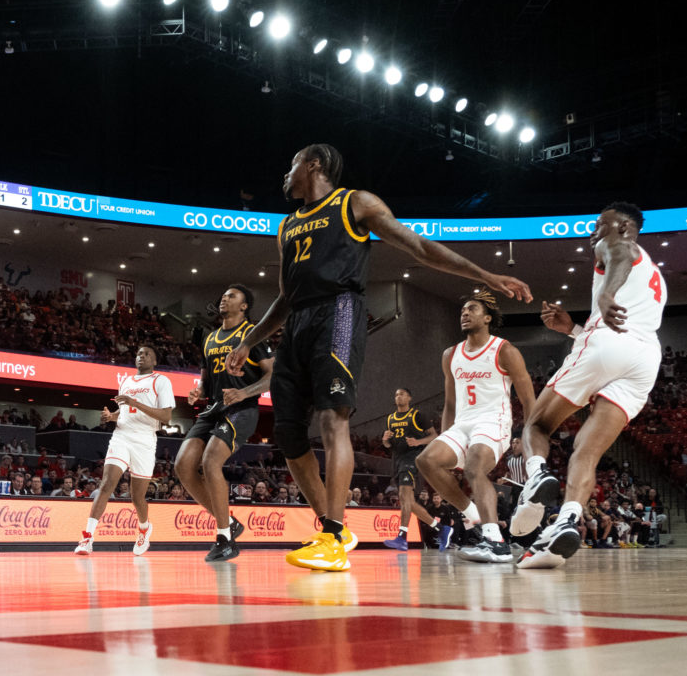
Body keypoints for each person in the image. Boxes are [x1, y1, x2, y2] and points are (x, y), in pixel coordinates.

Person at [225, 144, 530, 571]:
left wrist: (483, 275)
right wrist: (249, 340)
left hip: (339, 311)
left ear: (313, 165)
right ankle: (332, 528)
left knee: (333, 417)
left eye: (291, 164)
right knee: (289, 436)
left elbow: (419, 246)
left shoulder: (355, 203)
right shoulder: (287, 225)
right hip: (296, 325)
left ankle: (333, 534)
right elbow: (285, 296)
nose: (285, 174)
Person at [512, 203, 667, 569]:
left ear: (625, 226)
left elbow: (618, 253)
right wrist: (572, 329)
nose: (593, 229)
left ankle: (536, 477)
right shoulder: (654, 273)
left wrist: (605, 295)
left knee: (537, 424)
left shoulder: (618, 243)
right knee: (586, 451)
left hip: (609, 341)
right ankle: (566, 521)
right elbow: (626, 333)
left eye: (600, 223)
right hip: (645, 359)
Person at [417, 290, 535, 563]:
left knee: (474, 467)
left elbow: (529, 399)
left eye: (472, 309)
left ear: (488, 318)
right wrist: (446, 437)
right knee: (426, 460)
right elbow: (450, 402)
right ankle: (473, 515)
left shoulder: (504, 350)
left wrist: (531, 439)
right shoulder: (450, 354)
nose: (465, 313)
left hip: (494, 421)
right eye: (462, 310)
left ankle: (496, 542)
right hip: (463, 423)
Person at [177, 284, 274, 562]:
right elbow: (206, 381)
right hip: (214, 408)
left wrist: (244, 392)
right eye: (223, 295)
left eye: (232, 296)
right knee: (182, 466)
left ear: (244, 306)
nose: (224, 298)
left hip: (242, 409)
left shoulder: (252, 334)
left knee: (210, 461)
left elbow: (273, 376)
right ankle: (229, 523)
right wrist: (199, 391)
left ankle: (225, 539)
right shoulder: (209, 339)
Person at [74, 345, 174, 557]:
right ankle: (87, 538)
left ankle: (144, 528)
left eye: (146, 354)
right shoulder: (126, 381)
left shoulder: (161, 381)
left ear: (155, 361)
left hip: (145, 439)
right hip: (122, 435)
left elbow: (166, 417)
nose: (141, 356)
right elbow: (125, 411)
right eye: (139, 354)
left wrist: (134, 402)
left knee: (137, 498)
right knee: (106, 484)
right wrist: (111, 417)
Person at [380, 388, 449, 551]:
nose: (398, 396)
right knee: (407, 502)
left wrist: (418, 442)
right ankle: (441, 529)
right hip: (397, 460)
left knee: (405, 497)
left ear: (409, 398)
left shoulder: (417, 415)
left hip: (411, 459)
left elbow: (434, 435)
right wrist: (385, 441)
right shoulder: (390, 418)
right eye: (396, 394)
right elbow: (388, 445)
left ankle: (402, 537)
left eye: (402, 394)